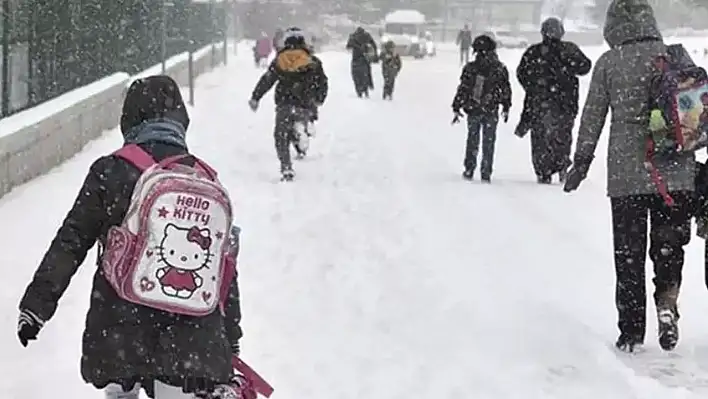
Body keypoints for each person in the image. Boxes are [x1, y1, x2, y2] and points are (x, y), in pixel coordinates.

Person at [16, 75, 246, 398]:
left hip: (119, 328)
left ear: (129, 119)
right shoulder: (204, 180)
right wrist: (229, 334)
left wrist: (36, 306)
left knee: (120, 391)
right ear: (181, 120)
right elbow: (223, 268)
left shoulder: (110, 171)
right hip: (190, 338)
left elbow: (71, 241)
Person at [563, 0, 694, 353]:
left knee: (629, 254)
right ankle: (667, 301)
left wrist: (581, 162)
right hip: (676, 172)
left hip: (627, 174)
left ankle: (631, 331)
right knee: (668, 247)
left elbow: (592, 117)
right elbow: (696, 112)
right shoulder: (674, 56)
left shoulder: (610, 63)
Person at [516, 17, 591, 184]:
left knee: (540, 138)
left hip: (540, 104)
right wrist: (568, 68)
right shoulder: (569, 49)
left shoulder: (534, 52)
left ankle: (543, 170)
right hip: (566, 103)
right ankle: (561, 163)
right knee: (562, 136)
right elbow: (585, 66)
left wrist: (534, 87)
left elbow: (521, 73)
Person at [249, 27, 328, 181]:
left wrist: (255, 97)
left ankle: (286, 167)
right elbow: (322, 83)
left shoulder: (280, 60)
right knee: (303, 119)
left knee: (281, 135)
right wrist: (319, 98)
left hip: (284, 103)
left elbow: (267, 80)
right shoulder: (313, 62)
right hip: (305, 103)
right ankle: (304, 129)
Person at [451, 34, 511, 183]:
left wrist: (457, 105)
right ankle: (486, 170)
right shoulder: (499, 68)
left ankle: (469, 168)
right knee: (489, 141)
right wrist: (506, 105)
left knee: (473, 139)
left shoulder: (471, 68)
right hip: (491, 109)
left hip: (474, 108)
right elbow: (505, 89)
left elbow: (463, 88)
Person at [346, 27, 378, 98]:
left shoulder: (353, 36)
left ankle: (359, 91)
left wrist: (356, 46)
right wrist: (375, 56)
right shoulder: (367, 36)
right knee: (365, 75)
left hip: (356, 59)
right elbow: (374, 45)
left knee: (356, 76)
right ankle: (366, 88)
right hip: (365, 59)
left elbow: (348, 46)